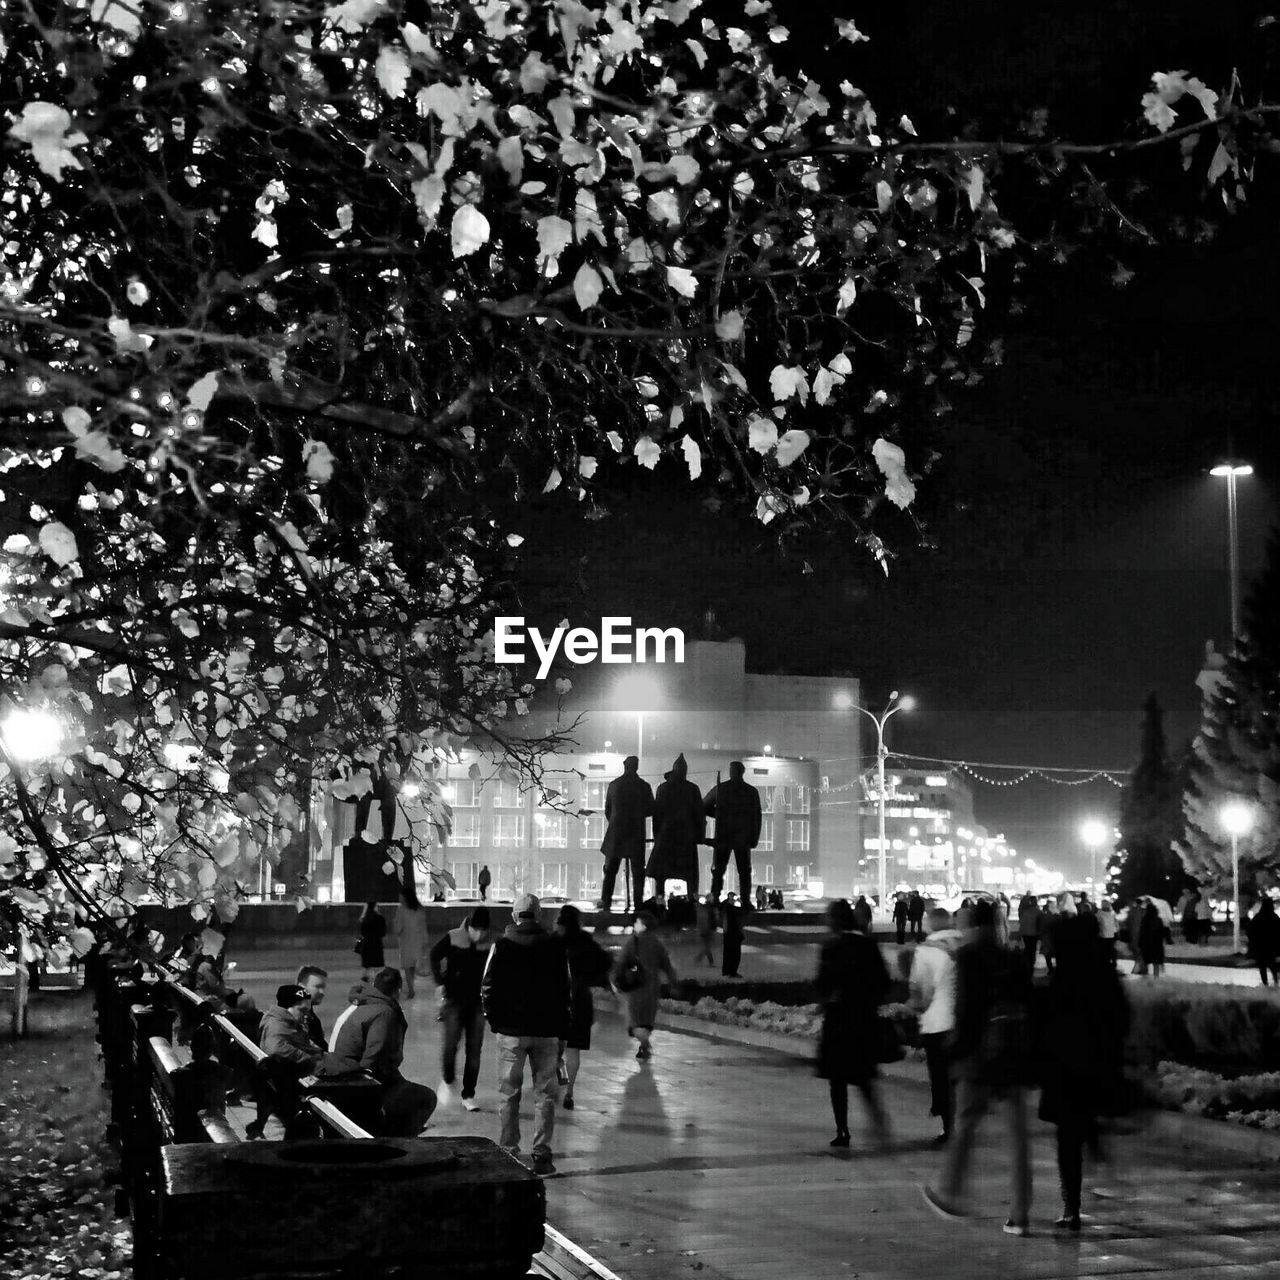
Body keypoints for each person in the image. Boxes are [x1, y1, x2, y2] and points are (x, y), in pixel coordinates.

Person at [924, 899, 1034, 1237]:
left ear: (973, 925)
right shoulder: (1013, 957)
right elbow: (1028, 1006)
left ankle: (951, 1193)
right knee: (1018, 1138)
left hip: (978, 1060)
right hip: (1013, 1057)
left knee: (967, 1127)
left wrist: (955, 1052)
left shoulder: (968, 958)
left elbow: (965, 1011)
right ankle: (1020, 1214)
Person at [1038, 910, 1128, 1230]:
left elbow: (1045, 1025)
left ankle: (1071, 1207)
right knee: (1086, 1123)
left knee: (1068, 1138)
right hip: (1096, 1066)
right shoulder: (1105, 975)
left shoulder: (1061, 978)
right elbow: (1121, 1022)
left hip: (1064, 1070)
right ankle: (1101, 1161)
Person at [480, 893, 572, 1176]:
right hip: (546, 1032)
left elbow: (487, 987)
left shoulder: (502, 945)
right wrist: (562, 1029)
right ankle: (542, 1156)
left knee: (508, 1093)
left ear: (514, 916)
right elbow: (566, 990)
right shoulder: (556, 946)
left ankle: (509, 1151)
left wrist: (494, 1020)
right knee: (545, 1095)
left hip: (510, 1033)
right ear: (539, 915)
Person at [317, 968, 437, 1137]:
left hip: (341, 1072)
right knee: (425, 1097)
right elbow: (374, 1057)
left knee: (407, 1092)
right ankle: (400, 1140)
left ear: (374, 985)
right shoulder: (385, 1012)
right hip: (356, 1080)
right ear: (398, 991)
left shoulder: (359, 1003)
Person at [815, 899, 891, 1149]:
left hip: (838, 1020)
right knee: (863, 1076)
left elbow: (823, 984)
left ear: (834, 921)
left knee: (837, 1079)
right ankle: (879, 1121)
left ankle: (842, 1130)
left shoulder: (831, 947)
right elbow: (883, 983)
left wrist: (825, 1001)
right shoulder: (868, 945)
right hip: (863, 1019)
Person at [429, 906, 491, 1110]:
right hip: (454, 1001)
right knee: (450, 1046)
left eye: (483, 930)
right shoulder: (453, 937)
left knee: (474, 1050)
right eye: (476, 929)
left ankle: (468, 1094)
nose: (479, 934)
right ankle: (447, 1079)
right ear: (469, 925)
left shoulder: (489, 944)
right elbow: (434, 955)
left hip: (476, 1003)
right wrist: (440, 983)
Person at [909, 907, 962, 1144]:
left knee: (942, 1077)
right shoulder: (964, 945)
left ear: (929, 924)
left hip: (938, 1022)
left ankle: (948, 1127)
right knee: (960, 1076)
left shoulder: (925, 950)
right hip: (964, 1020)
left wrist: (912, 1007)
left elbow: (922, 990)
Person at [248, 983, 325, 1140]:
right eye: (303, 1010)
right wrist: (310, 1059)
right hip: (293, 1085)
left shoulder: (285, 1022)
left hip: (287, 1082)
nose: (307, 1014)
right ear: (288, 1008)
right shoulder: (277, 1024)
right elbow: (275, 1049)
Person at [555, 905, 613, 1110]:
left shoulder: (554, 943)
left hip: (558, 1000)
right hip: (581, 1000)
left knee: (556, 1047)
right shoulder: (586, 941)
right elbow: (605, 961)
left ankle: (560, 1078)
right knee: (574, 1050)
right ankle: (569, 1091)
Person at [613, 909, 677, 1060]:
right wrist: (674, 983)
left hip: (635, 987)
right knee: (646, 1021)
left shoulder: (632, 942)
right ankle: (644, 1046)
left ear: (644, 925)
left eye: (637, 922)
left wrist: (616, 979)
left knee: (634, 1023)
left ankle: (645, 1044)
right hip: (652, 987)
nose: (635, 924)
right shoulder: (657, 943)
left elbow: (621, 963)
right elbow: (667, 966)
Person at [599, 755, 655, 913]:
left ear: (625, 766)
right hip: (635, 834)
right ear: (636, 767)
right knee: (637, 873)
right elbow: (651, 808)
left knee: (611, 871)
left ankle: (606, 903)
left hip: (617, 834)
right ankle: (637, 904)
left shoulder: (614, 785)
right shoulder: (643, 786)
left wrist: (617, 822)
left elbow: (608, 810)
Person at [646, 754, 705, 903]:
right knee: (691, 878)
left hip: (666, 837)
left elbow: (656, 816)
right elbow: (699, 815)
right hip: (686, 839)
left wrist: (657, 835)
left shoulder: (663, 789)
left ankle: (659, 905)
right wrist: (700, 836)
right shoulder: (692, 789)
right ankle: (693, 905)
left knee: (661, 877)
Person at [704, 761, 762, 905]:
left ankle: (718, 897)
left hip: (727, 836)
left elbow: (704, 806)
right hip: (739, 837)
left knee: (723, 871)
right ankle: (742, 900)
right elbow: (757, 817)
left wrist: (719, 814)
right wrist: (754, 838)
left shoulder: (722, 789)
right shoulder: (750, 791)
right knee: (738, 871)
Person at [394, 885, 429, 998]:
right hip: (418, 941)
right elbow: (423, 927)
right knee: (412, 965)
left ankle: (410, 989)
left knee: (407, 966)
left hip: (406, 940)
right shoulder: (419, 909)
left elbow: (398, 928)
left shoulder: (401, 909)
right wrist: (425, 941)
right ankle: (411, 986)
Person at [1246, 897, 1280, 986]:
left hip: (1260, 946)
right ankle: (1276, 981)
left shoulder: (1258, 917)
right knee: (1272, 965)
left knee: (1262, 966)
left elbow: (1250, 930)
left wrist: (1253, 941)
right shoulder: (1274, 917)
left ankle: (1265, 984)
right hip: (1271, 946)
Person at [295, 965, 328, 1049]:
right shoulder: (294, 1017)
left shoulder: (311, 1017)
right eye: (317, 987)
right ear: (301, 987)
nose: (322, 992)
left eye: (323, 987)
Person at [356, 901, 387, 979]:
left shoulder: (364, 919)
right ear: (375, 907)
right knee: (378, 965)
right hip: (377, 944)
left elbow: (362, 933)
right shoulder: (380, 918)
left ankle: (365, 982)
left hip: (366, 944)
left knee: (366, 966)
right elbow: (383, 932)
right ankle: (377, 981)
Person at [1138, 900, 1166, 976]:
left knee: (1146, 961)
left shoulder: (1145, 920)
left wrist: (1140, 943)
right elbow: (1162, 932)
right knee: (1156, 963)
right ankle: (1156, 977)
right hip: (1157, 944)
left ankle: (1145, 977)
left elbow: (1142, 932)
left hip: (1147, 944)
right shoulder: (1158, 920)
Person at [1017, 892, 1041, 978]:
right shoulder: (1038, 912)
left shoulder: (1026, 912)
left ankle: (1028, 963)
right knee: (1033, 949)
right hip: (1034, 934)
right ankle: (1031, 963)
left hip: (1026, 934)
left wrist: (1020, 933)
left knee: (1028, 949)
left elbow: (1022, 923)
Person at [721, 893, 745, 978]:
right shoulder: (729, 908)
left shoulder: (728, 907)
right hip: (732, 934)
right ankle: (732, 972)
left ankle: (730, 971)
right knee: (733, 954)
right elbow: (740, 913)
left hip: (731, 934)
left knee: (731, 954)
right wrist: (740, 903)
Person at [695, 895, 717, 966]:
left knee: (707, 946)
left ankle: (700, 958)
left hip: (707, 928)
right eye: (712, 898)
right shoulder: (709, 908)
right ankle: (710, 961)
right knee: (708, 946)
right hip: (708, 929)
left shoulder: (704, 908)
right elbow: (711, 919)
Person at [1096, 899, 1118, 966]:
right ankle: (1113, 962)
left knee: (1105, 950)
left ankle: (1106, 962)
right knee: (1111, 948)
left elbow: (1097, 922)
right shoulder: (1113, 912)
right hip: (1112, 934)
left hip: (1103, 934)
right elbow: (1116, 923)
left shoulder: (1099, 913)